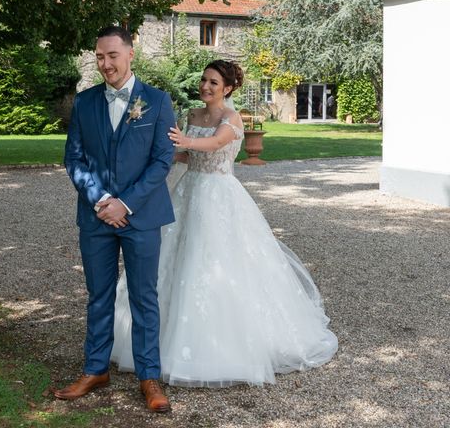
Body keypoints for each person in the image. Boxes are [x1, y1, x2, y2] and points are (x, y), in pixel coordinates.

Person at [111, 60, 338, 387]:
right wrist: (166, 152)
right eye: (204, 80)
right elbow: (190, 157)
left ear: (228, 88)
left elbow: (214, 144)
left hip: (219, 195)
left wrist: (183, 142)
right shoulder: (193, 116)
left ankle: (220, 349)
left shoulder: (232, 119)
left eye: (213, 83)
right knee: (170, 258)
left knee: (217, 261)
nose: (205, 86)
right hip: (188, 190)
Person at [58, 26, 176, 412]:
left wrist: (125, 203)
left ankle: (149, 377)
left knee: (144, 298)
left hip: (141, 217)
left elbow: (162, 160)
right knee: (99, 295)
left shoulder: (157, 102)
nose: (105, 63)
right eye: (99, 57)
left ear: (130, 54)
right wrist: (102, 199)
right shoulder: (85, 102)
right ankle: (95, 369)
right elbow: (74, 159)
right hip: (96, 218)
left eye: (112, 55)